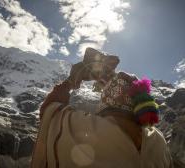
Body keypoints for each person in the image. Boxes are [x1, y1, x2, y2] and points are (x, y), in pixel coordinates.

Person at [31, 55, 173, 168]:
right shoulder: (158, 140)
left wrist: (71, 81)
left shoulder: (87, 129)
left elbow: (51, 110)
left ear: (106, 103)